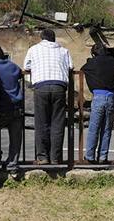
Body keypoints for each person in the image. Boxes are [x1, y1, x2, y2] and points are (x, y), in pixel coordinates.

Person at [23, 29, 73, 165]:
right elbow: (71, 66)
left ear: (42, 38)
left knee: (41, 123)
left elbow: (26, 66)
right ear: (54, 38)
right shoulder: (64, 50)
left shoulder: (33, 49)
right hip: (59, 87)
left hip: (41, 87)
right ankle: (56, 158)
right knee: (58, 123)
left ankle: (43, 157)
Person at [0, 46, 23, 176]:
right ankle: (13, 163)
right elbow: (19, 74)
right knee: (16, 136)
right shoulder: (13, 66)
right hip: (16, 106)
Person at [81, 44, 114, 164]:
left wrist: (90, 60)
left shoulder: (93, 63)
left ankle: (90, 156)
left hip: (99, 97)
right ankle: (103, 157)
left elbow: (84, 68)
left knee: (94, 128)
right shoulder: (111, 61)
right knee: (106, 129)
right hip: (111, 96)